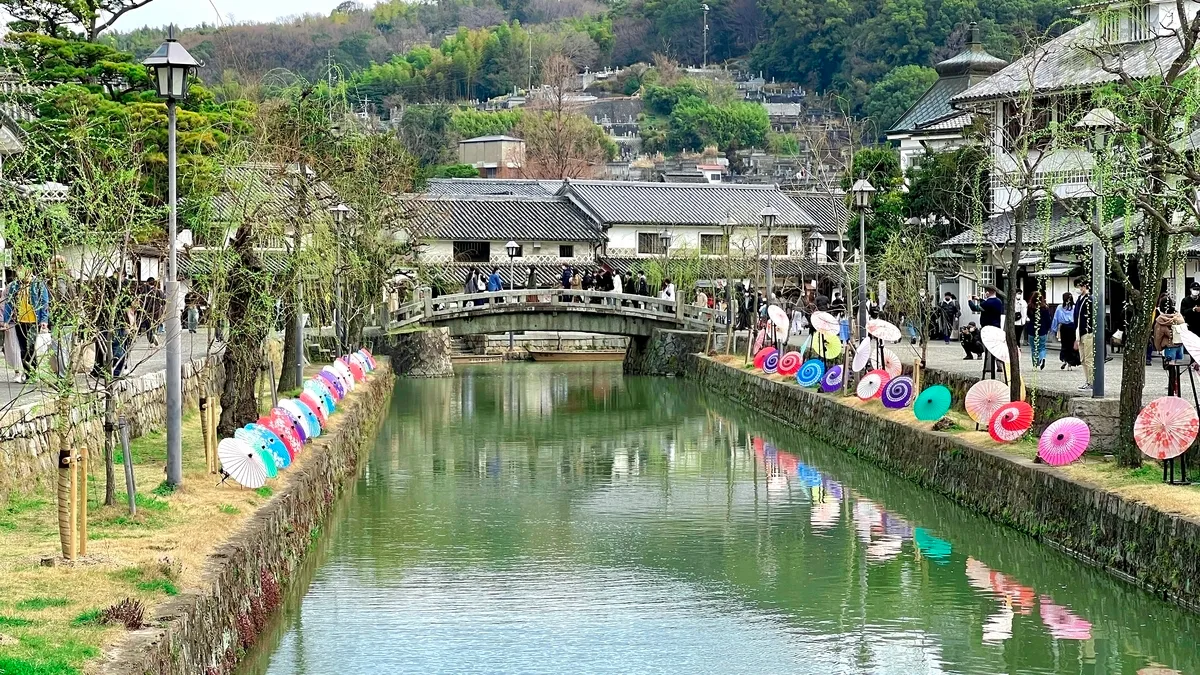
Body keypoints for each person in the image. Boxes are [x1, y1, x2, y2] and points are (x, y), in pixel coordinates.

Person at [3, 266, 50, 382]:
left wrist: (44, 320)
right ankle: (29, 373)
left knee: (31, 348)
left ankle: (32, 374)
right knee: (23, 349)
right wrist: (6, 320)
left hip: (34, 321)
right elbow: (9, 303)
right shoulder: (14, 285)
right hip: (20, 320)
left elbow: (44, 303)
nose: (20, 274)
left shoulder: (38, 284)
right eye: (19, 272)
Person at [1073, 279, 1095, 390]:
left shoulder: (1089, 299)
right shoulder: (1079, 299)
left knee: (1088, 358)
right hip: (1080, 332)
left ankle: (1092, 381)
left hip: (1088, 332)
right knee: (1082, 359)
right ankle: (1087, 380)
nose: (1078, 289)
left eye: (1079, 286)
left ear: (1085, 286)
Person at [1051, 292, 1080, 370]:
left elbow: (1055, 319)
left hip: (1064, 327)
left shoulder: (1060, 307)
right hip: (1072, 327)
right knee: (1071, 344)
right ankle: (1070, 362)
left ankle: (1066, 360)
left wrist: (1054, 329)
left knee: (1065, 344)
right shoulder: (1074, 307)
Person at [1154, 293, 1184, 365]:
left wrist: (1158, 348)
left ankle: (1173, 376)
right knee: (1176, 367)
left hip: (1169, 345)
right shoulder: (1178, 317)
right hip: (1179, 345)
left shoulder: (1161, 320)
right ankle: (1176, 376)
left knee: (1170, 366)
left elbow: (1158, 336)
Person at [1025, 292, 1052, 370]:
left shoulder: (1030, 307)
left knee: (1033, 348)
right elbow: (1048, 320)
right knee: (1042, 347)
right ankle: (1042, 358)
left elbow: (1029, 316)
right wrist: (1047, 328)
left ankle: (1035, 365)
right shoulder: (1045, 308)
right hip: (1042, 330)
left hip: (1032, 329)